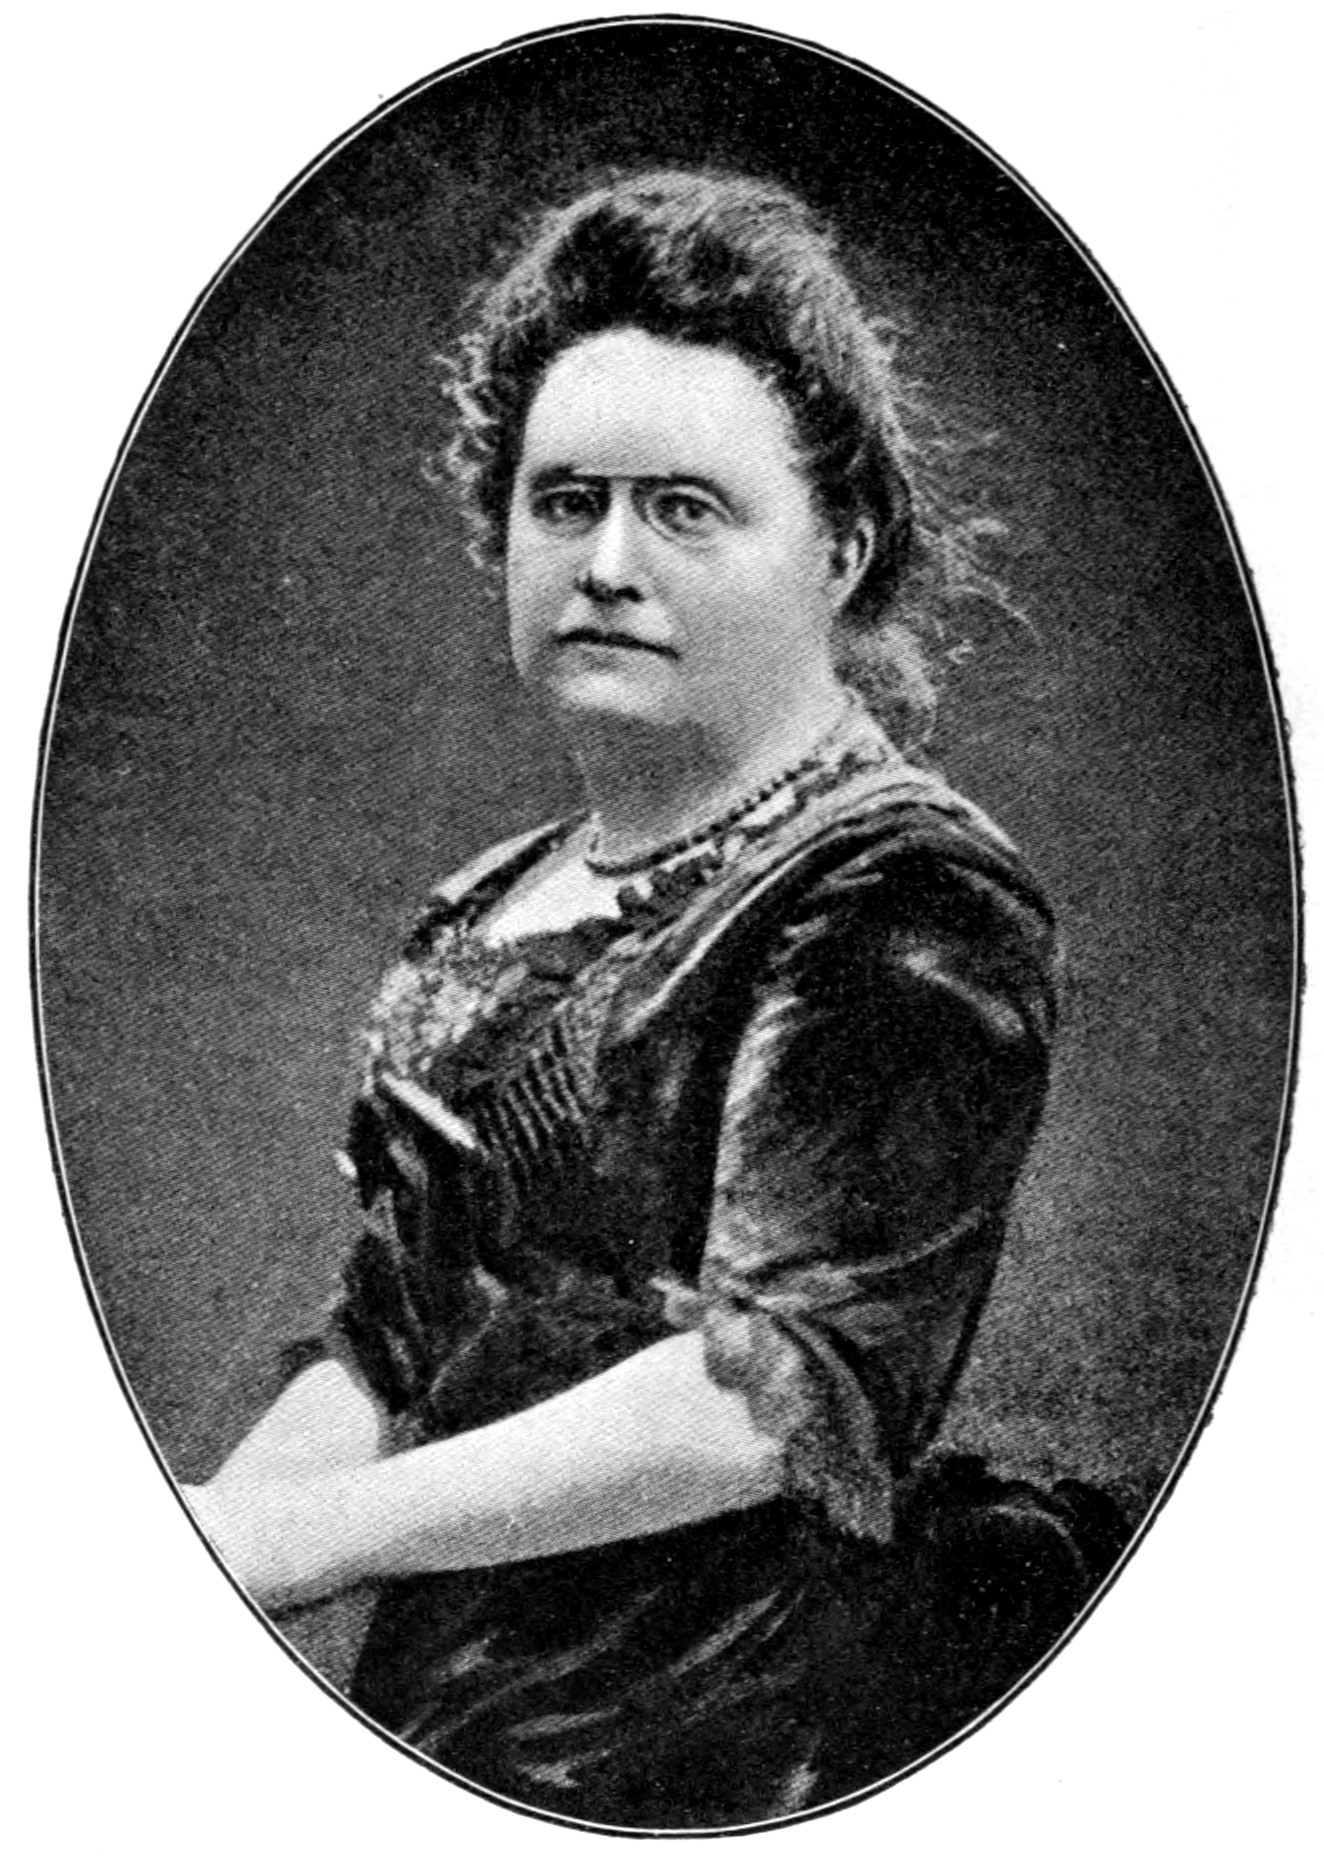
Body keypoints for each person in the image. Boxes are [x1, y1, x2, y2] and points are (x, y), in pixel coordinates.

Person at [186, 170, 1067, 1827]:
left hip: (751, 1731)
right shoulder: (490, 898)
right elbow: (392, 1341)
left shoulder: (909, 897)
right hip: (459, 1722)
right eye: (564, 499)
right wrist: (181, 1556)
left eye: (682, 509)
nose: (603, 561)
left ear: (840, 551)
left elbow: (765, 1399)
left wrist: (283, 1540)